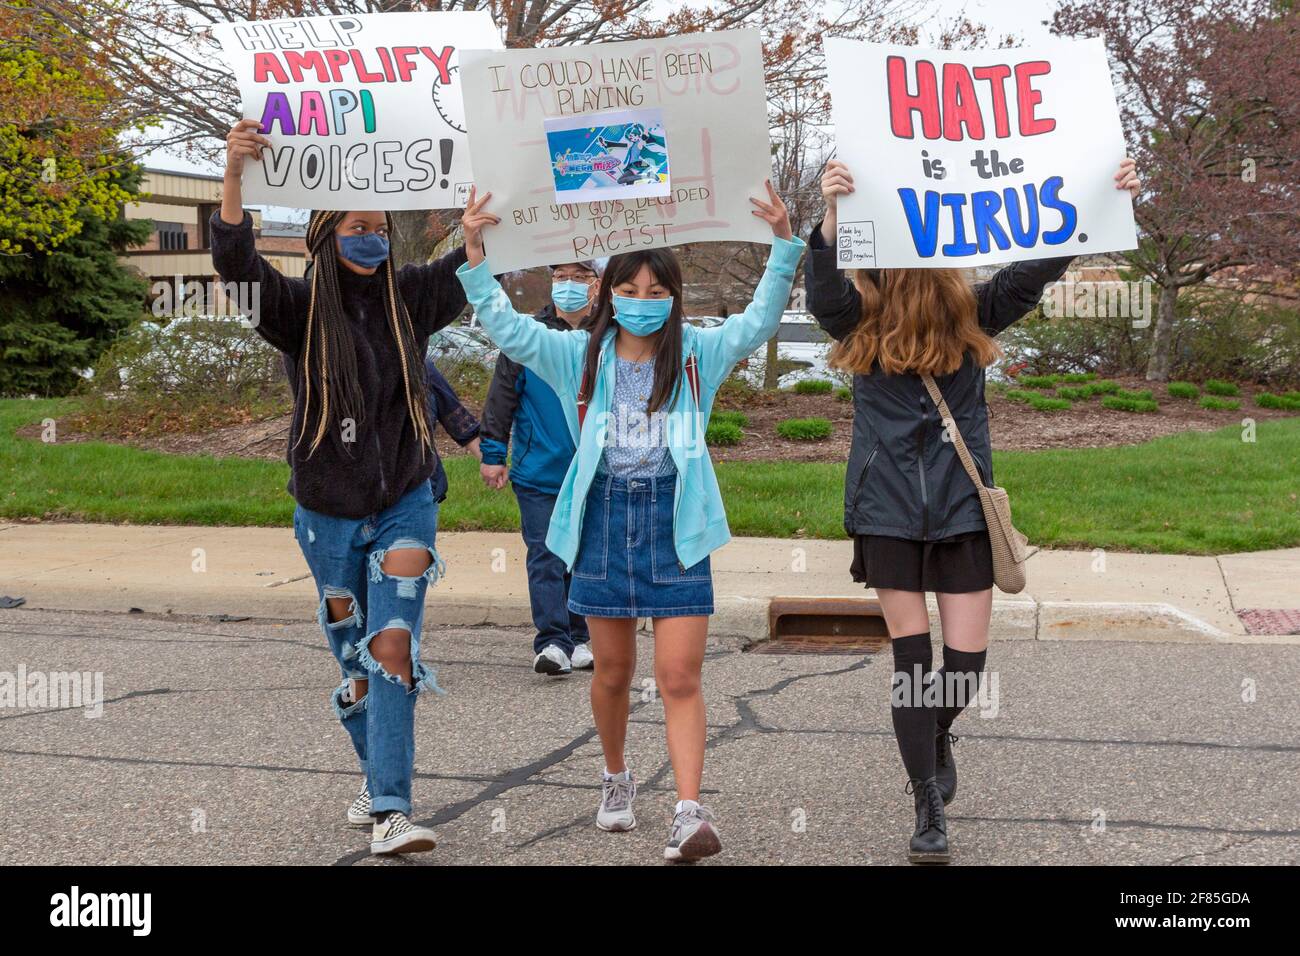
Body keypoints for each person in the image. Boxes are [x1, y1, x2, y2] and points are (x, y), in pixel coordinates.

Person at [806, 156, 1142, 864]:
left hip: (961, 511)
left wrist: (1099, 203)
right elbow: (824, 285)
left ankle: (931, 734)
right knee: (912, 660)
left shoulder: (975, 316)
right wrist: (831, 215)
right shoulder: (856, 322)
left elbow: (1035, 270)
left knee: (964, 662)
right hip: (886, 512)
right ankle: (927, 803)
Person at [456, 182, 804, 862]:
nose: (643, 302)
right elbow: (506, 328)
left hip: (676, 524)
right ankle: (616, 780)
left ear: (674, 297)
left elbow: (762, 319)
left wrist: (784, 244)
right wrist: (475, 256)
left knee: (679, 676)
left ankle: (687, 811)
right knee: (611, 673)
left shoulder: (699, 353)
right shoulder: (576, 356)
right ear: (606, 293)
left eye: (656, 291)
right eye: (630, 289)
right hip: (604, 522)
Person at [212, 118, 474, 856]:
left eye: (381, 227)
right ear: (327, 234)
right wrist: (233, 177)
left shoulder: (414, 298)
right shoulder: (295, 311)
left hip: (407, 504)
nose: (372, 238)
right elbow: (238, 269)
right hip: (326, 513)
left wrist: (487, 222)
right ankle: (375, 779)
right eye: (357, 227)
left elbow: (476, 261)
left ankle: (391, 810)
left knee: (392, 646)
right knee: (355, 657)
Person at [479, 262, 602, 676]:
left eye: (579, 276)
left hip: (593, 472)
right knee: (547, 555)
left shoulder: (610, 335)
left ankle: (582, 637)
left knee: (584, 556)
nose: (568, 284)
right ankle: (552, 641)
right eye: (561, 275)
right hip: (539, 472)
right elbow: (501, 399)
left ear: (596, 284)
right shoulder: (529, 336)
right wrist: (494, 454)